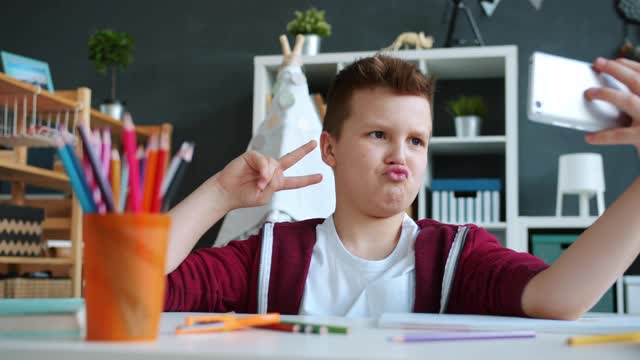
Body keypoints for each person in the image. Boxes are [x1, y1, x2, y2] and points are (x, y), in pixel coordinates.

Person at [164, 55, 640, 320]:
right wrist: (221, 194)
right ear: (330, 149)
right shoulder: (267, 255)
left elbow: (558, 298)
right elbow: (135, 291)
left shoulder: (458, 254)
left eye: (415, 140)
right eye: (378, 135)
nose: (400, 155)